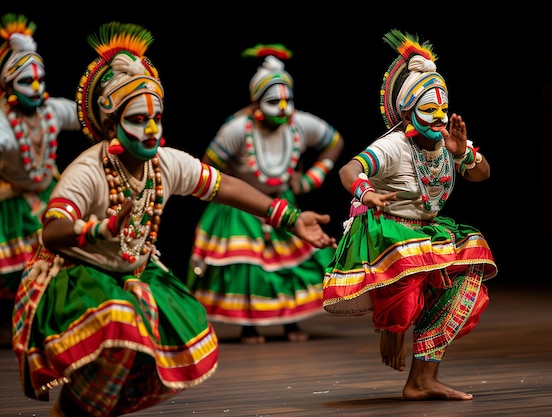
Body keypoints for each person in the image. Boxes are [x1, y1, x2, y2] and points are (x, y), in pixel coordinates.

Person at [11, 22, 336, 417]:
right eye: (137, 120)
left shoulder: (166, 164)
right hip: (78, 278)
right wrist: (100, 229)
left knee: (159, 345)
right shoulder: (88, 170)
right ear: (111, 124)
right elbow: (53, 230)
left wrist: (291, 217)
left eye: (157, 118)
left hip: (133, 273)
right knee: (120, 326)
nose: (150, 130)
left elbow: (225, 186)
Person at [323, 29, 498, 401]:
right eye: (428, 109)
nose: (438, 117)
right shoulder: (393, 144)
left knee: (468, 282)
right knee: (404, 294)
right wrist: (366, 192)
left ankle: (422, 378)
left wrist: (463, 152)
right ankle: (392, 325)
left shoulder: (447, 139)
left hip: (427, 234)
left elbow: (483, 174)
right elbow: (348, 171)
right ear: (407, 112)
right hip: (388, 234)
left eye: (442, 108)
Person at [187, 44, 344, 344]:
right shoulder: (236, 129)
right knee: (250, 269)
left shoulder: (299, 123)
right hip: (242, 207)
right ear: (256, 102)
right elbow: (206, 168)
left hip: (284, 202)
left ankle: (291, 323)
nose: (283, 109)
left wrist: (313, 177)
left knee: (289, 266)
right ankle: (250, 327)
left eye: (288, 100)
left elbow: (334, 141)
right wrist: (231, 187)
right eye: (273, 101)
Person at [0, 13, 81, 347]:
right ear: (7, 86)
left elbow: (83, 113)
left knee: (56, 259)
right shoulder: (3, 119)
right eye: (26, 82)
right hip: (12, 199)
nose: (36, 88)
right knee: (13, 269)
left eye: (40, 80)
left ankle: (49, 321)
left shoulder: (51, 110)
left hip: (47, 191)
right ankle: (12, 324)